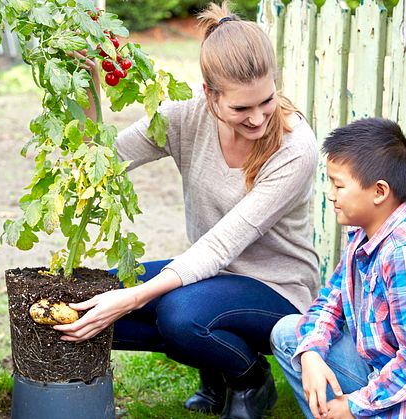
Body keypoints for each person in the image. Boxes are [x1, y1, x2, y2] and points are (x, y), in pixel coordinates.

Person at [55, 2, 321, 418]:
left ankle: (250, 381)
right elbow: (103, 161)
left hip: (279, 288)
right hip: (208, 274)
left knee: (179, 315)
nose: (258, 119)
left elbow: (221, 243)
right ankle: (214, 364)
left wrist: (132, 298)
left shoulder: (295, 148)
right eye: (241, 109)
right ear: (208, 94)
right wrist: (88, 91)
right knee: (88, 301)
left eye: (266, 101)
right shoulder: (183, 118)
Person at [270, 118, 406, 419]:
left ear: (379, 192)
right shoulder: (363, 237)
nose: (330, 194)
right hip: (382, 373)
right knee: (290, 335)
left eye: (338, 184)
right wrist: (312, 352)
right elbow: (330, 301)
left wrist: (353, 406)